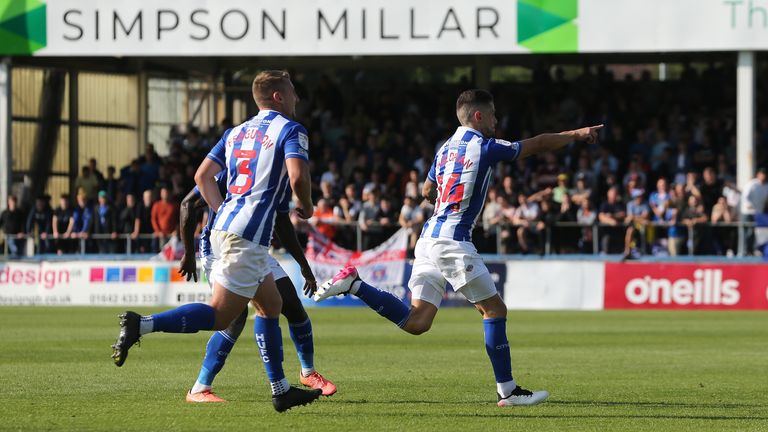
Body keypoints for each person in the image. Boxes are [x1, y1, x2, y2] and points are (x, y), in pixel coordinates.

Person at [314, 89, 601, 407]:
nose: (496, 119)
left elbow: (427, 190)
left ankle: (354, 284)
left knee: (418, 322)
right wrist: (575, 134)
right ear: (478, 116)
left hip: (427, 240)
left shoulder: (445, 149)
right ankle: (507, 390)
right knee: (494, 310)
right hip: (453, 241)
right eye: (492, 113)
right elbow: (536, 145)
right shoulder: (485, 147)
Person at [112, 70, 322, 412]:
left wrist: (223, 210)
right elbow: (298, 176)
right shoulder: (291, 130)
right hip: (248, 236)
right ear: (278, 97)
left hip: (225, 227)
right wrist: (308, 206)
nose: (297, 98)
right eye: (293, 92)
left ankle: (281, 390)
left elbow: (201, 177)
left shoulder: (235, 132)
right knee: (221, 316)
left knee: (271, 305)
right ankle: (142, 324)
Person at [177, 172, 335, 403]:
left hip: (255, 247)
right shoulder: (230, 171)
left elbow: (282, 223)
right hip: (220, 249)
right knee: (234, 317)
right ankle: (200, 388)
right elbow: (187, 203)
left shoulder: (275, 177)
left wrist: (303, 264)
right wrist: (189, 253)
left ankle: (308, 373)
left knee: (292, 305)